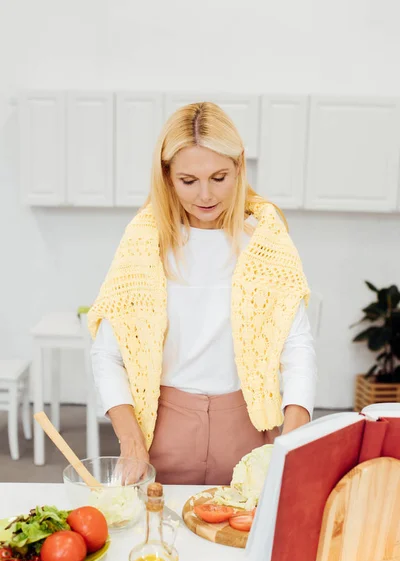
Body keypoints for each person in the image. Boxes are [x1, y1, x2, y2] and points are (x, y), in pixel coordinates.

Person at [88, 102, 317, 486]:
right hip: (160, 431)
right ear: (167, 177)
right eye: (188, 180)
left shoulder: (266, 240)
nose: (206, 195)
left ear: (240, 165)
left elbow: (297, 350)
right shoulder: (144, 243)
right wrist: (131, 441)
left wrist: (293, 437)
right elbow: (107, 353)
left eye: (219, 177)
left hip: (251, 429)